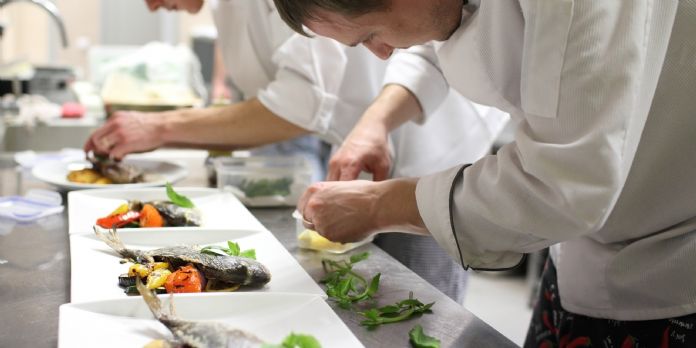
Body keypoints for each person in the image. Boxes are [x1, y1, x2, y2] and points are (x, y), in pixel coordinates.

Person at [274, 0, 696, 346]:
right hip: (586, 246)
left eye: (369, 36)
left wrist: (380, 204)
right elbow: (434, 34)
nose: (382, 53)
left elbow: (559, 185)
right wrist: (376, 123)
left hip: (672, 255)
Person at [84, 0, 509, 303]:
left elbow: (302, 103)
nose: (151, 7)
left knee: (415, 304)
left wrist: (161, 127)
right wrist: (371, 127)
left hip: (433, 155)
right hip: (364, 146)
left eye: (370, 38)